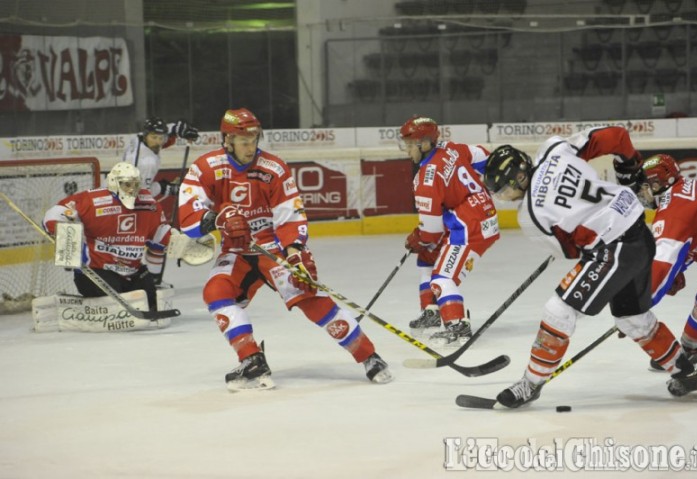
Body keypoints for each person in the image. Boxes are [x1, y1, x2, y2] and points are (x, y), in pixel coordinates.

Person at [482, 126, 697, 408]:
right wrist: (628, 167)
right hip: (640, 234)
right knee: (631, 318)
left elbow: (570, 250)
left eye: (504, 189)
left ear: (518, 175)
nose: (505, 196)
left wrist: (572, 230)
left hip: (616, 249)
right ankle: (685, 373)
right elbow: (617, 137)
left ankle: (531, 383)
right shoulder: (553, 149)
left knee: (559, 310)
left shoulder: (530, 216)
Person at [177, 108, 392, 391]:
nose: (250, 146)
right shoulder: (206, 167)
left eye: (254, 139)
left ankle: (369, 357)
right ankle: (252, 359)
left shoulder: (273, 168)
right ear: (227, 140)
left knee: (309, 298)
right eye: (244, 140)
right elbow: (188, 217)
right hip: (236, 251)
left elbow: (289, 216)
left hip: (272, 248)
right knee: (216, 292)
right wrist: (215, 219)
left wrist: (295, 252)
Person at [399, 115, 500, 345]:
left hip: (468, 227)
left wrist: (418, 237)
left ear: (424, 144)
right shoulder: (451, 148)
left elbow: (432, 232)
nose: (406, 149)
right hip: (478, 216)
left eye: (409, 144)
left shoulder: (425, 180)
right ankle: (432, 312)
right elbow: (484, 156)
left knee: (443, 277)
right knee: (427, 255)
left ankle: (457, 326)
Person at [42, 162, 172, 311]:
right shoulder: (92, 201)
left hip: (132, 271)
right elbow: (54, 214)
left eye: (135, 184)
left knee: (151, 300)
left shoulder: (148, 203)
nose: (132, 190)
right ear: (114, 184)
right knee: (115, 301)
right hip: (95, 272)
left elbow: (159, 235)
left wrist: (177, 243)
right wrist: (61, 229)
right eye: (126, 184)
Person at [638, 154, 697, 369]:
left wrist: (637, 306)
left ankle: (690, 348)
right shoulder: (685, 190)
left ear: (658, 183)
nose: (641, 193)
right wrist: (679, 267)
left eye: (645, 186)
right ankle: (690, 348)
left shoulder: (673, 210)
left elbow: (662, 263)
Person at [123, 116, 199, 199]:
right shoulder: (147, 163)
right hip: (124, 201)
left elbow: (161, 133)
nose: (157, 142)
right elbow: (141, 194)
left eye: (161, 138)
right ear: (145, 136)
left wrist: (178, 129)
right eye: (154, 137)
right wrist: (165, 187)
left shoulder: (138, 139)